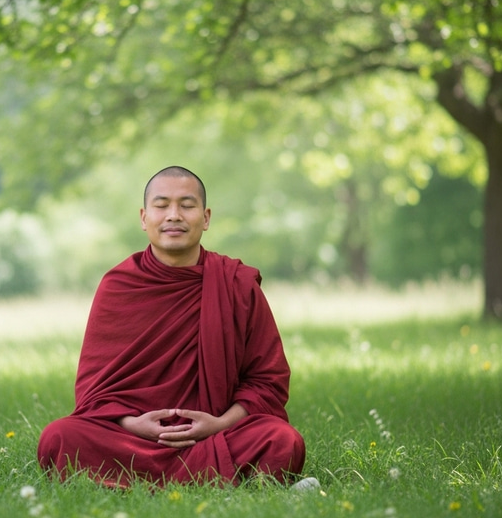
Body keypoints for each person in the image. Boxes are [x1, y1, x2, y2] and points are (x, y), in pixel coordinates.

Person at [37, 165, 307, 487]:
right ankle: (211, 477)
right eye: (162, 205)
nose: (174, 215)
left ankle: (131, 482)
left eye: (187, 205)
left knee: (283, 441)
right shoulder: (119, 286)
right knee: (58, 437)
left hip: (215, 435)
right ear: (143, 217)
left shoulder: (236, 284)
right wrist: (133, 425)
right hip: (133, 439)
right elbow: (93, 390)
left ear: (205, 218)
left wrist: (218, 424)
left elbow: (267, 381)